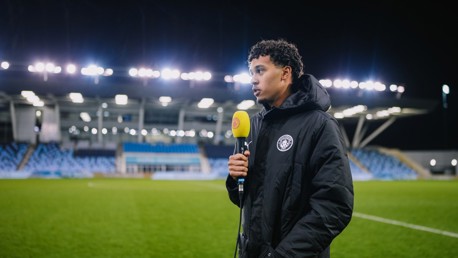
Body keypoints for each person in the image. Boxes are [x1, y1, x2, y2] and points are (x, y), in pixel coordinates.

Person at [226, 39, 354, 258]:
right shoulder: (256, 124)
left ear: (285, 74)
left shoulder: (320, 124)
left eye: (260, 70)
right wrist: (236, 179)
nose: (253, 80)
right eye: (251, 72)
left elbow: (334, 206)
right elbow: (247, 200)